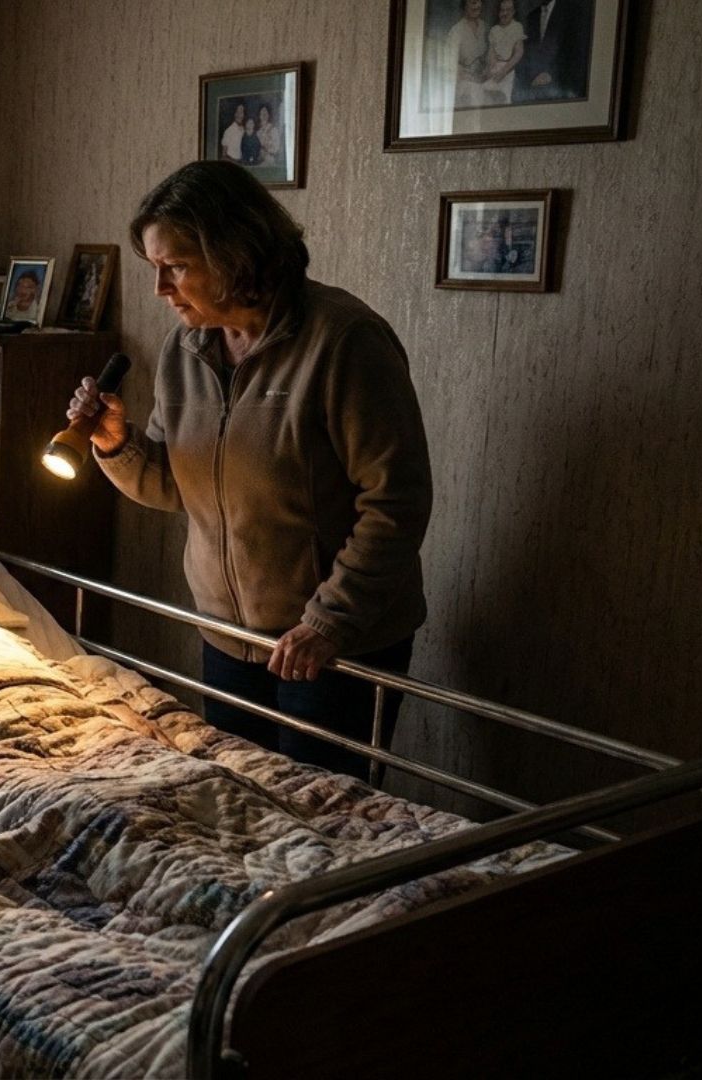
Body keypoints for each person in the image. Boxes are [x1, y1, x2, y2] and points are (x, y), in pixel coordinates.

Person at [64, 160, 432, 780]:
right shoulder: (186, 349)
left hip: (331, 646)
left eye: (176, 266)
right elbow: (173, 486)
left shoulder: (344, 341)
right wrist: (116, 443)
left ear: (234, 255)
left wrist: (330, 621)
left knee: (323, 817)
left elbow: (397, 501)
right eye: (154, 267)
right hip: (228, 638)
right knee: (245, 805)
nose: (160, 288)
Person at [516, 0, 592, 103]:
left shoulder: (572, 12)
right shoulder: (532, 16)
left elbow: (576, 54)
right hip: (535, 89)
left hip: (563, 87)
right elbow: (528, 54)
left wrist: (551, 74)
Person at [483, 0, 527, 106]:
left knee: (505, 98)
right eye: (502, 10)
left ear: (513, 12)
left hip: (509, 68)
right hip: (495, 68)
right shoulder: (494, 29)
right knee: (486, 92)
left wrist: (504, 71)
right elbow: (491, 53)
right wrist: (490, 69)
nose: (505, 13)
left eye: (508, 10)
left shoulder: (517, 27)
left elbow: (518, 53)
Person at [448, 0, 489, 109]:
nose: (477, 6)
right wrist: (473, 78)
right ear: (464, 6)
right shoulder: (456, 31)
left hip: (483, 79)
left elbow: (487, 55)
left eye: (479, 2)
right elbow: (451, 66)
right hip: (465, 83)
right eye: (473, 2)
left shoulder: (483, 26)